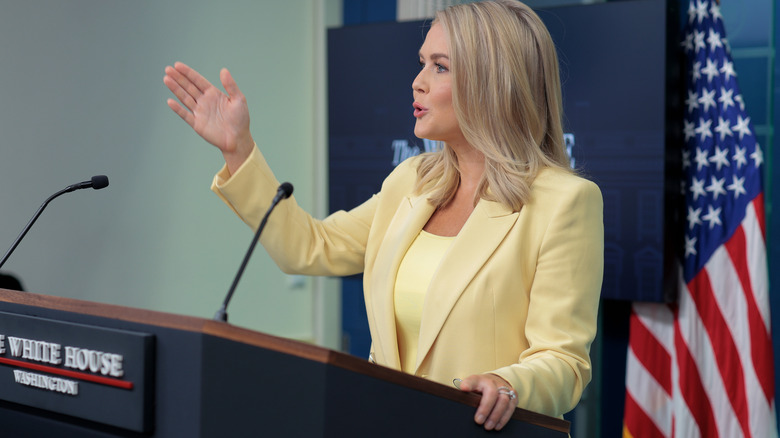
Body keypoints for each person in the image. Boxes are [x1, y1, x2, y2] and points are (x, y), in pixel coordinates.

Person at [164, 0, 603, 431]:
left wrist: (508, 384)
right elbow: (310, 248)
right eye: (422, 63)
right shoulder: (411, 181)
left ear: (494, 82)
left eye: (440, 67)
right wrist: (238, 150)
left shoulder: (564, 201)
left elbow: (564, 362)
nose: (417, 82)